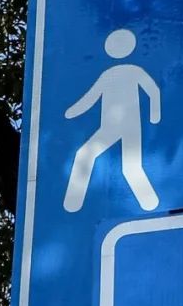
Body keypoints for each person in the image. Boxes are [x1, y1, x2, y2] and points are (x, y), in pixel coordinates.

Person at [62, 29, 161, 212]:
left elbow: (153, 91)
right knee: (88, 156)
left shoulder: (133, 71)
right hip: (112, 126)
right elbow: (91, 97)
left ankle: (152, 205)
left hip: (129, 125)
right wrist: (72, 112)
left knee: (129, 166)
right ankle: (72, 204)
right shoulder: (108, 75)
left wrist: (155, 115)